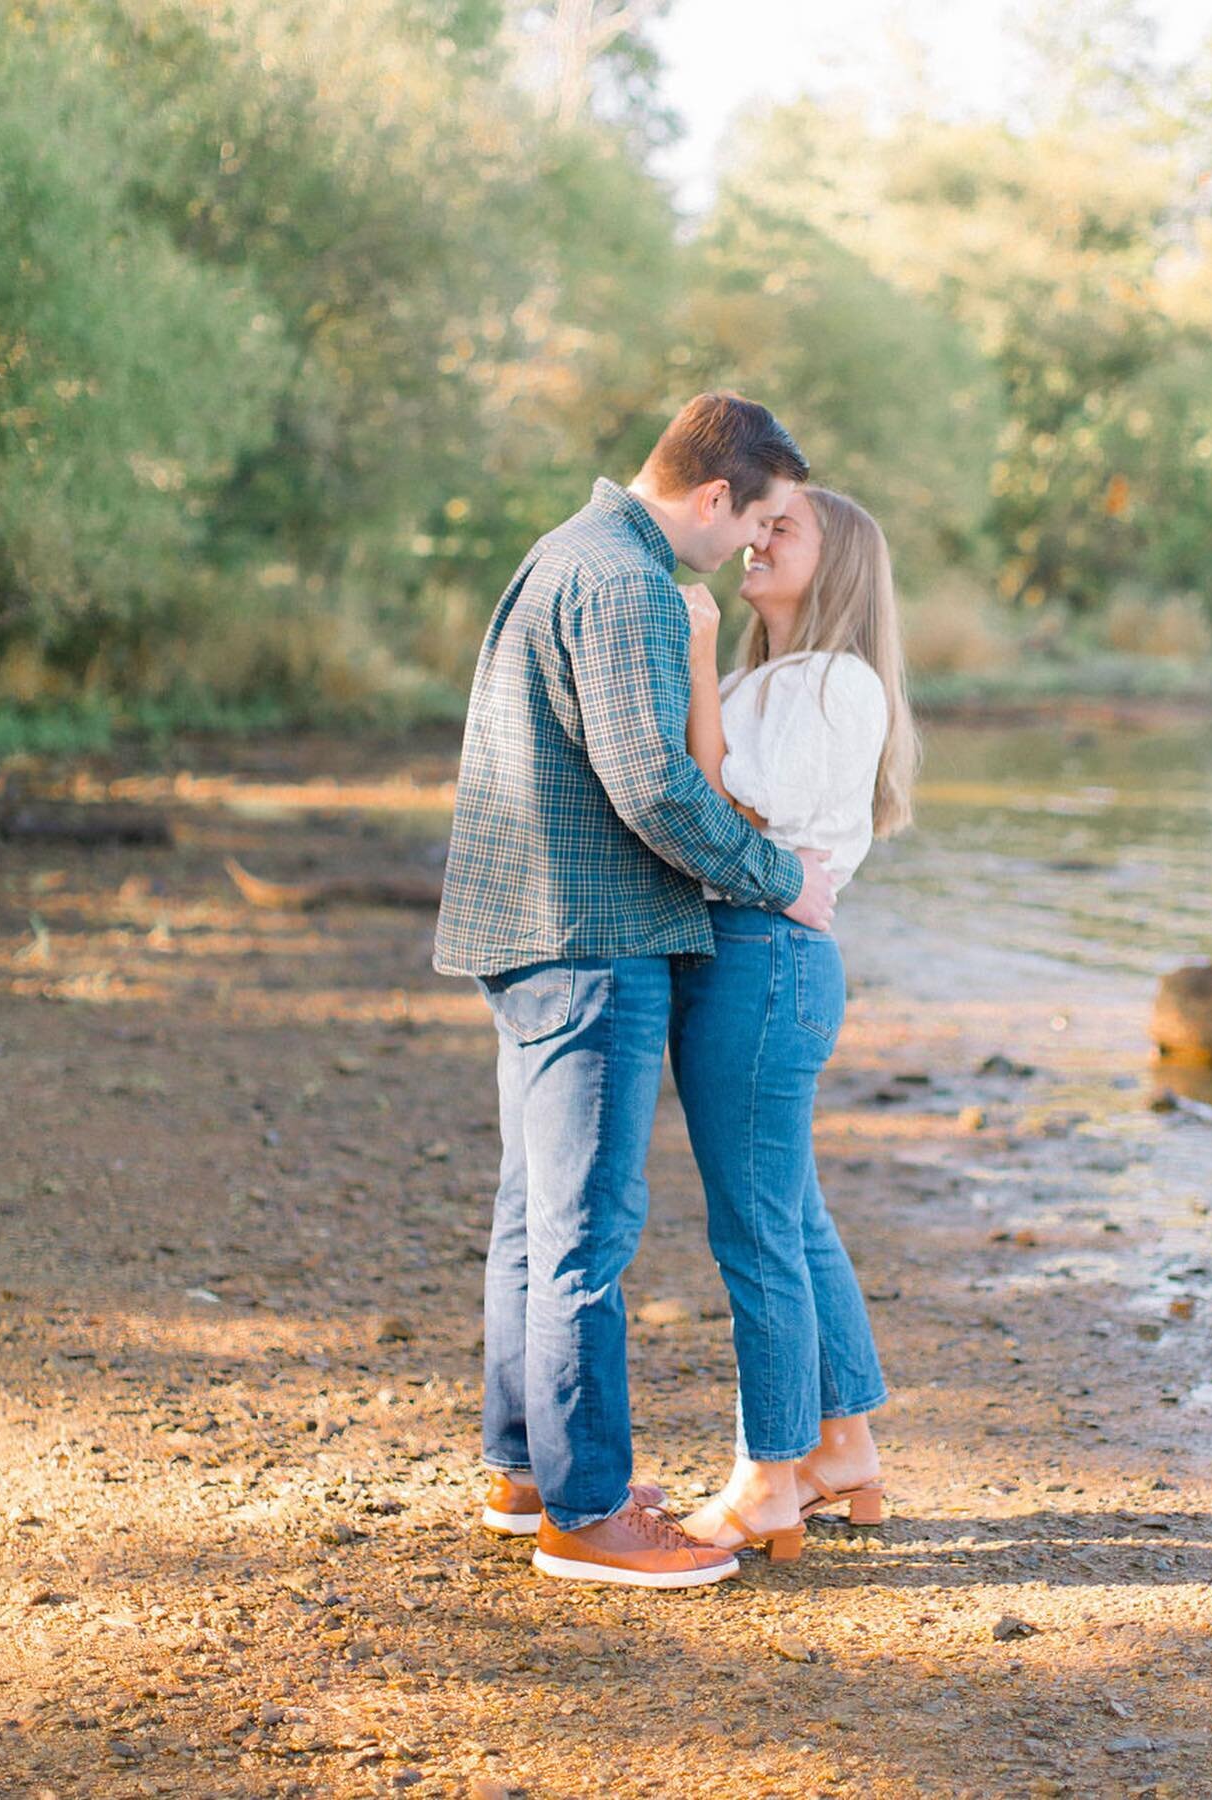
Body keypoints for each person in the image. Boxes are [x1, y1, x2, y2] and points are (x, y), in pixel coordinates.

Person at [432, 393, 839, 1589]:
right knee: (586, 1232)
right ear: (714, 496)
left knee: (534, 1214)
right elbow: (653, 786)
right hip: (591, 935)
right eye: (756, 523)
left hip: (542, 928)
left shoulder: (572, 551)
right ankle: (590, 1514)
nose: (753, 548)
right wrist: (780, 879)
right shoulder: (624, 581)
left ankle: (531, 1475)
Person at [670, 484, 919, 1562]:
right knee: (792, 1215)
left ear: (841, 564)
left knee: (756, 1228)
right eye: (758, 524)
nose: (760, 539)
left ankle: (770, 1477)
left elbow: (734, 796)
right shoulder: (765, 679)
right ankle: (843, 1445)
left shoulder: (834, 681)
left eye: (787, 529)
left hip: (766, 966)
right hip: (752, 960)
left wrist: (696, 644)